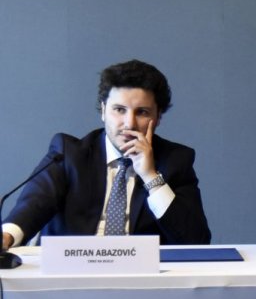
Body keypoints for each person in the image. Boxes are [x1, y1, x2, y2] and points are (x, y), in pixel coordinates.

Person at [2, 59, 211, 248]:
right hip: (72, 271)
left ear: (157, 118)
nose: (129, 123)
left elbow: (195, 241)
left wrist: (150, 177)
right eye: (119, 110)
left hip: (140, 275)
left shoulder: (175, 161)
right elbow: (35, 203)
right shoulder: (69, 153)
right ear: (103, 111)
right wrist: (7, 236)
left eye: (142, 112)